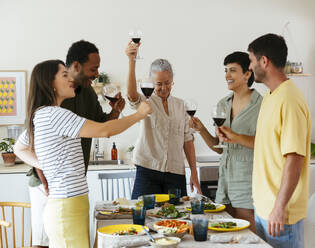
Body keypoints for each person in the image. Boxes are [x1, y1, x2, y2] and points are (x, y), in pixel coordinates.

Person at [14, 60, 151, 247]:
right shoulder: (55, 115)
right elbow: (105, 131)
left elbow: (19, 148)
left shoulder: (42, 114)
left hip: (69, 204)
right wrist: (139, 115)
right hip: (66, 207)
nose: (71, 78)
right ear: (49, 83)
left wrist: (45, 165)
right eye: (64, 75)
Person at [27, 40, 125, 248]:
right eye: (94, 68)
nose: (97, 73)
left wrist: (115, 111)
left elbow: (102, 127)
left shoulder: (88, 93)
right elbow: (31, 139)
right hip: (47, 184)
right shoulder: (53, 98)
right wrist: (43, 171)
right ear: (76, 67)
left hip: (71, 188)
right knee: (42, 243)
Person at [248, 33, 311, 247]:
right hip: (264, 209)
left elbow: (294, 157)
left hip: (281, 214)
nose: (250, 67)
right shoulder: (270, 96)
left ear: (264, 61)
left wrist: (279, 207)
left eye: (251, 61)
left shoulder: (290, 99)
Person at [189, 52, 262, 231]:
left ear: (247, 74)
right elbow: (220, 148)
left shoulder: (262, 105)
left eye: (232, 70)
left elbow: (265, 144)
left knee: (248, 234)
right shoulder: (222, 105)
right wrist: (202, 130)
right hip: (225, 181)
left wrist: (236, 137)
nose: (227, 75)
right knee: (225, 231)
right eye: (225, 70)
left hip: (248, 180)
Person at [125, 41, 202, 199]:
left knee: (178, 219)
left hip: (175, 173)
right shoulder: (146, 102)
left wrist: (193, 172)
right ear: (151, 83)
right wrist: (131, 61)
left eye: (168, 83)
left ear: (172, 80)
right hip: (147, 171)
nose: (164, 88)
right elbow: (132, 95)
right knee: (142, 218)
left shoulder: (181, 106)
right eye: (158, 84)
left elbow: (188, 140)